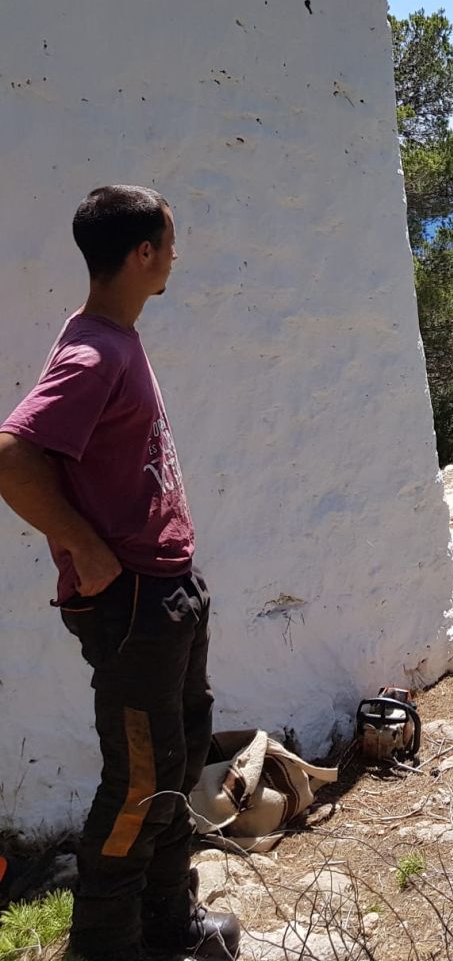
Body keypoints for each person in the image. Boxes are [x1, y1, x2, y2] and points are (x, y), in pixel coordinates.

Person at [0, 187, 241, 961]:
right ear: (142, 255)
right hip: (133, 604)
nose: (175, 256)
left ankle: (171, 927)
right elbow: (13, 456)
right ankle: (103, 949)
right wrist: (84, 547)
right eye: (169, 243)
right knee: (139, 785)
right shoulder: (94, 351)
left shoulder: (114, 336)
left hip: (168, 594)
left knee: (172, 769)